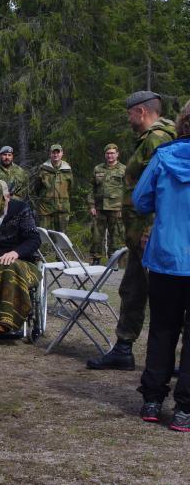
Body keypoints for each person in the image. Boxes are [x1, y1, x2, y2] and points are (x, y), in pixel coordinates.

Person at [87, 91, 176, 370]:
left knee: (166, 297)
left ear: (141, 111)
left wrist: (151, 229)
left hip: (152, 237)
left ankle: (173, 360)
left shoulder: (158, 139)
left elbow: (163, 188)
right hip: (139, 236)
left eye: (129, 114)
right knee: (132, 290)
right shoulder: (148, 140)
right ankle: (123, 349)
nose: (128, 119)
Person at [132, 99, 190, 432]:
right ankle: (185, 409)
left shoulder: (164, 156)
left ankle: (153, 400)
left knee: (162, 330)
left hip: (166, 259)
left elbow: (140, 200)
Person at [0, 180, 41, 335]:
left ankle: (4, 320)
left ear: (8, 197)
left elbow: (34, 239)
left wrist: (15, 253)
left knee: (9, 268)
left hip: (19, 260)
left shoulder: (21, 209)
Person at [87, 143, 126, 265]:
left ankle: (113, 260)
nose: (110, 156)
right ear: (105, 155)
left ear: (117, 154)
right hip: (99, 208)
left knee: (115, 236)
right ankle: (96, 259)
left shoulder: (124, 169)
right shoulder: (98, 169)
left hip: (116, 208)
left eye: (112, 153)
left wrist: (124, 208)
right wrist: (91, 205)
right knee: (96, 235)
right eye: (108, 153)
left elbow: (129, 190)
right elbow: (91, 188)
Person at [31, 144, 72, 232]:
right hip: (45, 207)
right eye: (53, 152)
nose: (55, 155)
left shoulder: (67, 169)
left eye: (58, 152)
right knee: (44, 234)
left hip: (62, 207)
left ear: (62, 153)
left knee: (62, 235)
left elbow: (70, 187)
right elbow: (37, 187)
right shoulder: (43, 169)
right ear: (50, 154)